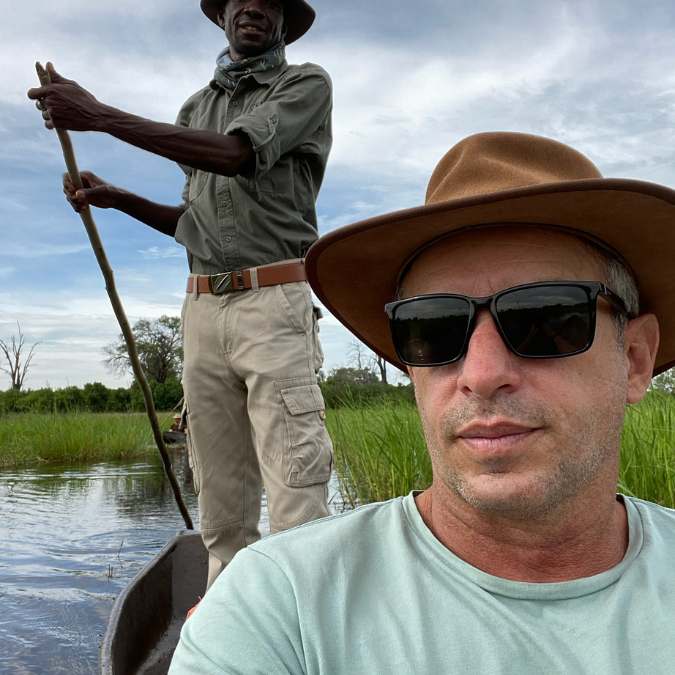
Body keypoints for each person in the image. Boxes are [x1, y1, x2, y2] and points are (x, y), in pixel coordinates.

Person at [169, 131, 675, 674]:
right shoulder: (277, 601)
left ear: (635, 359)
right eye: (432, 328)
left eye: (544, 320)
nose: (481, 376)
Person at [27, 0, 333, 590]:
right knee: (219, 495)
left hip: (274, 303)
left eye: (269, 1)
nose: (253, 8)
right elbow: (192, 223)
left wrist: (100, 115)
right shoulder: (197, 107)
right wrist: (117, 198)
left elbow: (236, 155)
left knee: (296, 488)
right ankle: (229, 617)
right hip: (200, 307)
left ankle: (303, 624)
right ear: (222, 16)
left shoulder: (305, 84)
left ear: (282, 20)